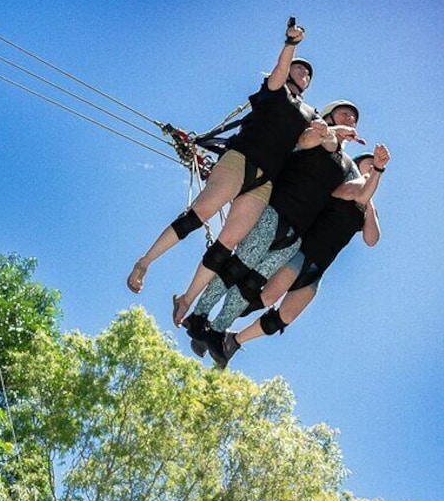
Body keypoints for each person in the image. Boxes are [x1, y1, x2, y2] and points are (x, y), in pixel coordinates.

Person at [127, 19, 324, 304]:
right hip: (242, 157)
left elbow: (305, 142)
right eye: (300, 67)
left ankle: (187, 298)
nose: (304, 72)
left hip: (265, 178)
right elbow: (279, 72)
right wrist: (291, 45)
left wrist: (329, 134)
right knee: (202, 212)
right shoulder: (275, 89)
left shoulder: (309, 112)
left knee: (229, 242)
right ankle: (145, 262)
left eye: (308, 72)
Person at [183, 105, 384, 368]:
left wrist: (374, 174)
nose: (351, 120)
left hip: (297, 232)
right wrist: (335, 132)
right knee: (238, 267)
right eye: (345, 114)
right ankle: (198, 315)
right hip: (277, 208)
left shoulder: (347, 168)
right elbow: (308, 142)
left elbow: (359, 203)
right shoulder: (317, 133)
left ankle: (217, 329)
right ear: (330, 113)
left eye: (355, 119)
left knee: (252, 283)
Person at [217, 150, 386, 363]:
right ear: (356, 166)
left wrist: (370, 203)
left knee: (286, 315)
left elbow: (372, 239)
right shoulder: (346, 184)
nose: (372, 169)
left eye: (375, 167)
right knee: (267, 297)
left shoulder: (368, 208)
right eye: (368, 165)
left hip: (320, 265)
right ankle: (215, 325)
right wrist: (372, 178)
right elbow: (355, 192)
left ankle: (234, 340)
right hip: (302, 250)